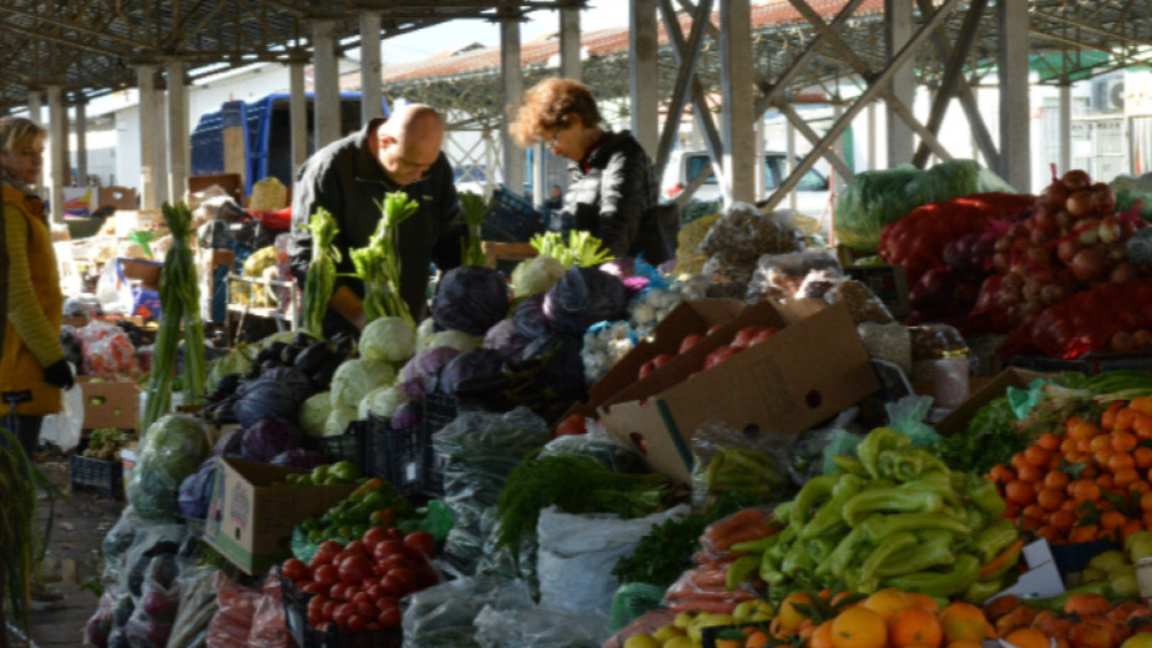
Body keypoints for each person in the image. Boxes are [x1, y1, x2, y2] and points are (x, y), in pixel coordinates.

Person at [288, 104, 465, 337]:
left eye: (426, 167)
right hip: (337, 332)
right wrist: (362, 317)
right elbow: (306, 259)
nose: (419, 175)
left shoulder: (435, 167)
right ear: (385, 141)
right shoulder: (330, 168)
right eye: (410, 164)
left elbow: (451, 241)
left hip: (407, 328)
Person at [509, 77, 677, 264]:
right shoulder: (586, 167)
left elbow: (614, 237)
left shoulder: (623, 159)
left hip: (624, 286)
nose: (554, 151)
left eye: (554, 139)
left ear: (575, 120)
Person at [0, 116, 74, 458]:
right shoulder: (8, 209)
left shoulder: (21, 203)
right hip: (15, 364)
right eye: (26, 152)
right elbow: (16, 294)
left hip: (20, 355)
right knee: (12, 482)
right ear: (2, 156)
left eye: (40, 151)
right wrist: (52, 357)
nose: (38, 160)